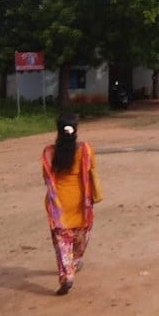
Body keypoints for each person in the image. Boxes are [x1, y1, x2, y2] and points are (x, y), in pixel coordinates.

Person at [41, 112, 101, 295]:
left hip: (60, 205)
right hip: (81, 204)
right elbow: (92, 172)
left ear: (58, 131)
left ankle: (67, 274)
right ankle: (74, 262)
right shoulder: (85, 150)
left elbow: (46, 178)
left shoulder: (49, 152)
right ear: (76, 131)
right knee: (80, 239)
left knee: (62, 243)